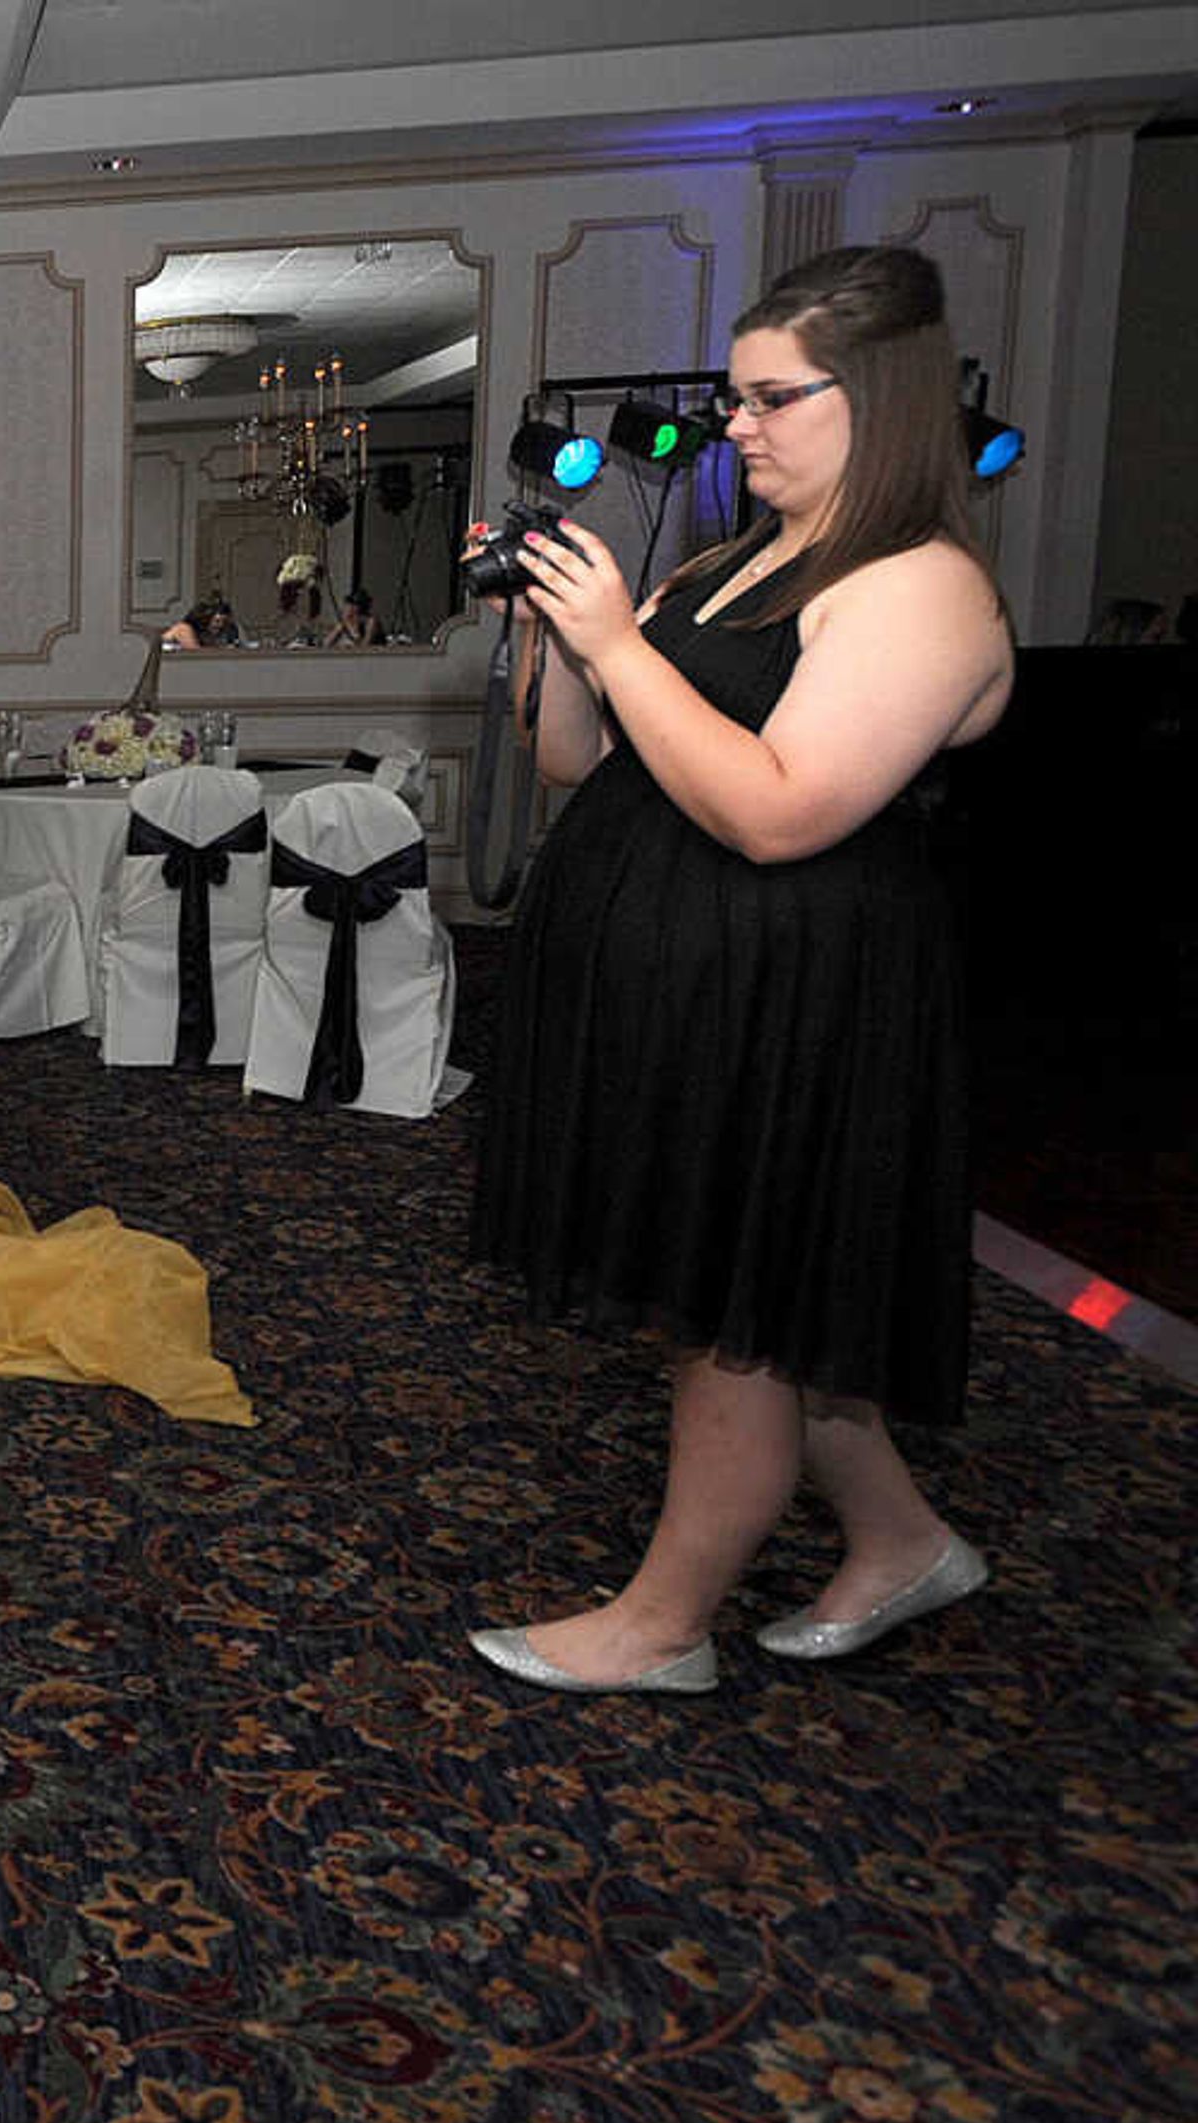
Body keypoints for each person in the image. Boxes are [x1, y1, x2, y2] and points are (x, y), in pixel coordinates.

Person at [467, 245, 1015, 1695]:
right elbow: (576, 761)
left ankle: (663, 1626)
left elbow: (780, 810)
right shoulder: (727, 564)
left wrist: (614, 640)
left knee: (735, 1320)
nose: (740, 426)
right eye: (736, 398)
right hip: (694, 1000)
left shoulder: (923, 586)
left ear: (880, 396)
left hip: (795, 1007)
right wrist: (551, 640)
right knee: (757, 1298)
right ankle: (901, 1540)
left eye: (775, 398)